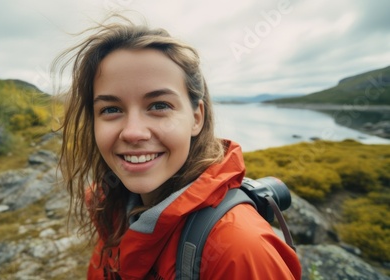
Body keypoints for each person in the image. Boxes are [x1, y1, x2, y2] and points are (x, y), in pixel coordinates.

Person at [54, 15, 302, 280]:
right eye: (111, 109)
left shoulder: (241, 250)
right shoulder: (111, 209)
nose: (133, 132)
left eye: (159, 105)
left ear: (197, 117)